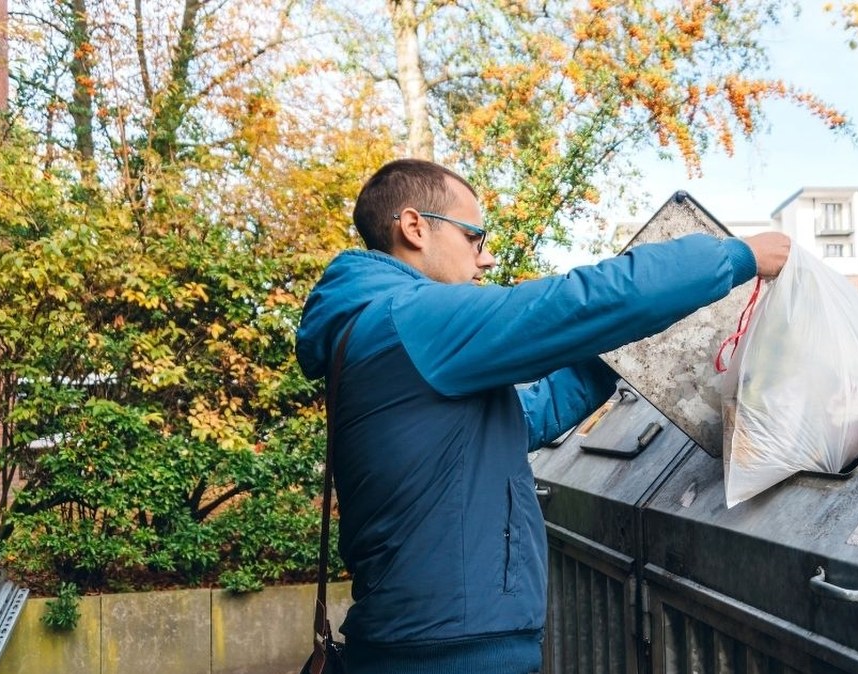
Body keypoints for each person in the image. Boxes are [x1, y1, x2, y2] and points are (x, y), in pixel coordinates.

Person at [295, 158, 790, 673]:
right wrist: (737, 257)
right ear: (416, 227)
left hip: (428, 639)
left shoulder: (375, 331)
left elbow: (520, 418)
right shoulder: (409, 319)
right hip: (448, 652)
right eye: (474, 237)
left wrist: (608, 355)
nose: (484, 260)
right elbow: (575, 303)